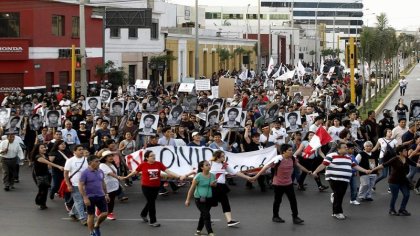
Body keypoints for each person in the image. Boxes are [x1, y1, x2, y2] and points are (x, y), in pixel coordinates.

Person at [123, 150, 186, 227]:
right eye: (151, 156)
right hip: (146, 187)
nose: (154, 157)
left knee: (150, 202)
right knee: (151, 203)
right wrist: (126, 177)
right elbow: (134, 172)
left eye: (154, 155)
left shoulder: (158, 164)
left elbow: (168, 171)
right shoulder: (143, 165)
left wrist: (179, 176)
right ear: (147, 158)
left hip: (156, 187)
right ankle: (153, 221)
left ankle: (143, 214)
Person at [251, 144, 309, 224]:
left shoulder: (292, 158)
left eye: (292, 150)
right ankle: (275, 216)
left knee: (293, 200)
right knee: (278, 200)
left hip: (288, 183)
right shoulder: (278, 159)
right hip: (278, 184)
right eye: (289, 150)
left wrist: (308, 172)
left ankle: (295, 217)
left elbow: (299, 166)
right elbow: (265, 167)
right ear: (284, 151)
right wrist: (256, 177)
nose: (291, 151)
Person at [312, 142, 370, 220]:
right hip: (333, 178)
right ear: (338, 149)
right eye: (344, 147)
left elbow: (355, 165)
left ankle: (335, 212)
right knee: (338, 194)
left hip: (345, 179)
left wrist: (365, 170)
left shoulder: (348, 157)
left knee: (340, 195)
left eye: (346, 147)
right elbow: (323, 164)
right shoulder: (331, 155)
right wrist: (315, 171)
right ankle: (338, 212)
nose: (346, 148)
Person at [370, 145, 420, 216]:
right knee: (395, 196)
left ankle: (402, 210)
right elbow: (383, 165)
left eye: (406, 150)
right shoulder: (395, 159)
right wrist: (372, 170)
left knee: (406, 195)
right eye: (404, 151)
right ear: (400, 152)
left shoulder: (406, 159)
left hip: (403, 180)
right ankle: (392, 210)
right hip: (394, 181)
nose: (406, 152)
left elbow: (415, 164)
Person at [210, 150, 253, 227]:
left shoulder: (224, 165)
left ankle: (229, 221)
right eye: (222, 156)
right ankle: (205, 219)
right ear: (217, 157)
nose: (224, 157)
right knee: (209, 204)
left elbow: (235, 172)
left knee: (225, 203)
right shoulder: (210, 164)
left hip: (221, 187)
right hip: (212, 186)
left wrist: (247, 177)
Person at [79, 155, 110, 236]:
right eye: (96, 161)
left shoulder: (100, 171)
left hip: (101, 195)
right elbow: (80, 185)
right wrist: (85, 198)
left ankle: (97, 225)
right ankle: (92, 232)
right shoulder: (85, 173)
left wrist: (106, 194)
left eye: (99, 161)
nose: (99, 163)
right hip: (90, 197)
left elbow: (103, 183)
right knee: (91, 215)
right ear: (90, 163)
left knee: (105, 213)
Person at [185, 160, 217, 236]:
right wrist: (188, 200)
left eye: (209, 164)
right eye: (206, 165)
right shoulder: (198, 176)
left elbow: (215, 186)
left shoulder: (212, 175)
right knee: (206, 215)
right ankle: (210, 232)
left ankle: (198, 231)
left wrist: (213, 184)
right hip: (199, 199)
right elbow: (192, 188)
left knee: (203, 215)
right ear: (202, 167)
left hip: (209, 199)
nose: (209, 166)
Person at [31, 143, 63, 209]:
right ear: (38, 149)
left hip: (46, 174)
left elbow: (49, 166)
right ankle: (39, 202)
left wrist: (51, 171)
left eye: (45, 147)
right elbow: (48, 163)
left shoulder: (45, 155)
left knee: (45, 189)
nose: (44, 149)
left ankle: (43, 203)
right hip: (38, 175)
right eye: (42, 148)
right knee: (42, 190)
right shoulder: (38, 157)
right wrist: (58, 166)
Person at [64, 145, 89, 225]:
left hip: (85, 184)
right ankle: (82, 218)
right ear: (74, 152)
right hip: (75, 184)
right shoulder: (70, 161)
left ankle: (72, 213)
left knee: (78, 201)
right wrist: (68, 185)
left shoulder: (86, 160)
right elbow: (66, 173)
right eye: (79, 150)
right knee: (79, 201)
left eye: (82, 149)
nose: (81, 151)